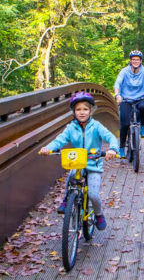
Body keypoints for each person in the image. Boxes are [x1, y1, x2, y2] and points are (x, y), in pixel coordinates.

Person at [38, 91, 119, 230]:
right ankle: (67, 199)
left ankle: (98, 214)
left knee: (93, 194)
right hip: (77, 161)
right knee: (71, 177)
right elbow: (59, 140)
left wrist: (112, 149)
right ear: (73, 111)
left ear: (91, 111)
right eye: (78, 109)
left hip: (93, 163)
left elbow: (110, 136)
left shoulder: (96, 126)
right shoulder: (71, 128)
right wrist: (48, 148)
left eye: (85, 109)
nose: (82, 112)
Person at [114, 50, 144, 156]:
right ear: (130, 60)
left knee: (143, 107)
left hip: (140, 98)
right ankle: (122, 148)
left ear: (141, 61)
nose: (135, 61)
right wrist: (117, 95)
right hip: (126, 99)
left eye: (137, 59)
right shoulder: (124, 71)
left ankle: (142, 126)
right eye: (133, 59)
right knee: (125, 124)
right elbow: (117, 83)